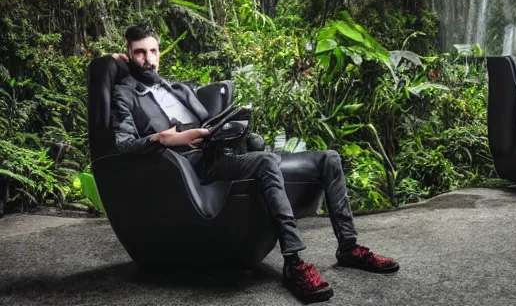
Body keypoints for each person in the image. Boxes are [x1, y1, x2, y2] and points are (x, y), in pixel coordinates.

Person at [110, 23, 399, 303]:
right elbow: (122, 144)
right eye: (139, 53)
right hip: (196, 165)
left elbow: (206, 118)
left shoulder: (176, 89)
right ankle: (294, 263)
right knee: (265, 163)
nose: (148, 60)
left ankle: (348, 247)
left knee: (329, 158)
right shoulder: (125, 93)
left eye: (153, 51)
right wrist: (164, 137)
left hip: (221, 149)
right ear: (129, 53)